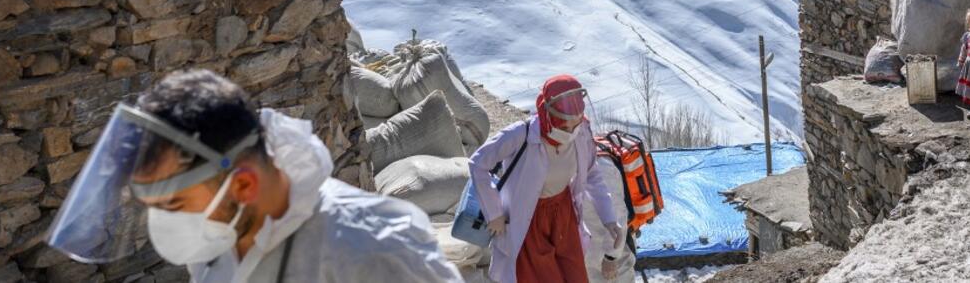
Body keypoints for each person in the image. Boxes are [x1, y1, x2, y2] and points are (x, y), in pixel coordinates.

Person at [47, 69, 463, 283]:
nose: (162, 224)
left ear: (244, 183)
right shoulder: (220, 237)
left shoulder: (371, 247)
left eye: (172, 205)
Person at [469, 75, 623, 283]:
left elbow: (592, 174)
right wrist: (494, 213)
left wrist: (609, 219)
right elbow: (478, 163)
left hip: (564, 215)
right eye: (564, 126)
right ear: (548, 115)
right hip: (530, 220)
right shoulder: (521, 134)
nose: (570, 132)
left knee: (574, 276)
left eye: (574, 125)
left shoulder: (581, 132)